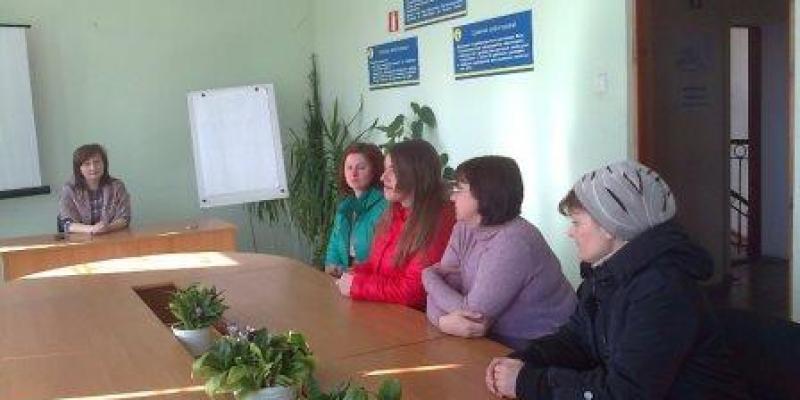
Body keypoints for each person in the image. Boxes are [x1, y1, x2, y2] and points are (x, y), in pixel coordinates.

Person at [485, 160, 749, 399]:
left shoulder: (662, 289)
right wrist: (524, 360)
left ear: (609, 226)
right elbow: (577, 340)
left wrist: (529, 382)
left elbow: (625, 393)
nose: (570, 233)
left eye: (577, 223)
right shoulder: (605, 275)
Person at [422, 156, 576, 351]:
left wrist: (428, 277)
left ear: (485, 195)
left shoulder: (514, 241)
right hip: (492, 339)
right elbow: (445, 289)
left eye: (459, 190)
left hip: (541, 346)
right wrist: (443, 320)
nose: (452, 197)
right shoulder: (464, 227)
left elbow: (471, 316)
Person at [335, 139, 455, 310]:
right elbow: (376, 267)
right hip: (387, 310)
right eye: (385, 169)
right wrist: (354, 273)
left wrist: (357, 285)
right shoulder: (395, 210)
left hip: (414, 318)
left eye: (394, 171)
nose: (383, 177)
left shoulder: (438, 220)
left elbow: (414, 291)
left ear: (417, 174)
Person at [324, 143, 387, 278]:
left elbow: (384, 255)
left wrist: (352, 273)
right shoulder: (345, 206)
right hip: (344, 276)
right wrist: (332, 266)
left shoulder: (385, 206)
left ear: (375, 171)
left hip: (371, 278)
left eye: (361, 168)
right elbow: (334, 244)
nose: (353, 174)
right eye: (349, 167)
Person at [58, 143, 131, 235]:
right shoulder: (69, 189)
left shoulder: (117, 186)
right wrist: (91, 229)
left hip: (111, 237)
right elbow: (67, 224)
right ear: (79, 168)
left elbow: (125, 218)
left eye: (97, 162)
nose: (93, 168)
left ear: (104, 164)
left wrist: (108, 228)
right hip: (80, 240)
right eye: (87, 164)